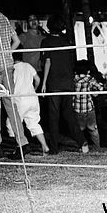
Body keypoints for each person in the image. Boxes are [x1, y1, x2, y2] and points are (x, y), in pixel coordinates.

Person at [0, 1, 30, 161]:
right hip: (8, 66)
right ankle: (22, 142)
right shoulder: (3, 17)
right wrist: (6, 54)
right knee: (11, 106)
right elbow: (16, 41)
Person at [40, 14, 88, 155]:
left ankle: (54, 148)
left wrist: (44, 83)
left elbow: (47, 61)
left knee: (53, 116)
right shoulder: (67, 41)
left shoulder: (46, 42)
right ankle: (82, 141)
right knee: (68, 114)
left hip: (54, 82)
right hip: (67, 81)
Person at [6, 50, 49, 155]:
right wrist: (34, 88)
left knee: (12, 123)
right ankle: (45, 146)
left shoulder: (12, 68)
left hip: (20, 99)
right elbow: (37, 79)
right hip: (32, 98)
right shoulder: (28, 65)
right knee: (34, 123)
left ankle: (20, 146)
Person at [73, 60, 104, 151]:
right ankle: (97, 148)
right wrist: (97, 87)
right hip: (89, 108)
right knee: (93, 129)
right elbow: (100, 88)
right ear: (88, 70)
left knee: (80, 130)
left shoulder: (73, 80)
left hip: (77, 109)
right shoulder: (90, 79)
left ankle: (82, 147)